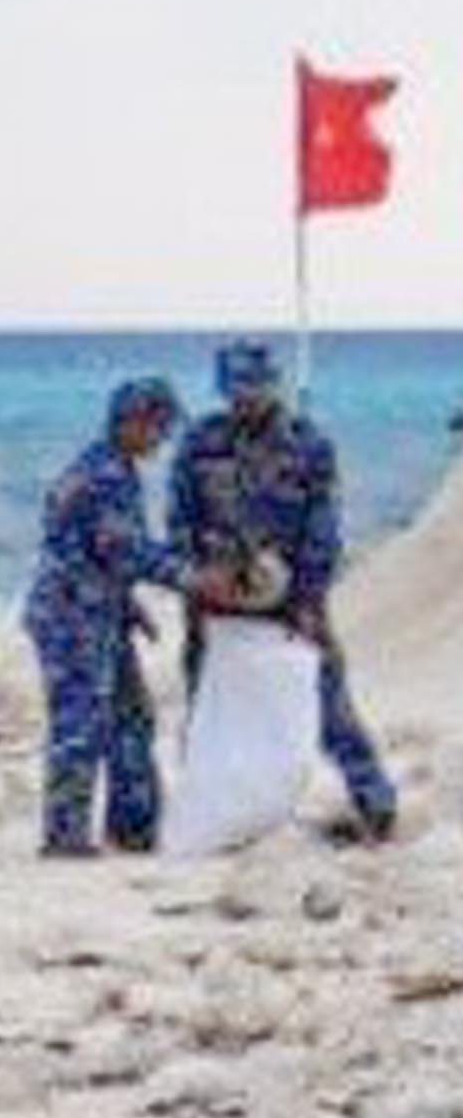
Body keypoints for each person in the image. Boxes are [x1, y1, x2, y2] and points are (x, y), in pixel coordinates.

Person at [170, 343, 401, 840]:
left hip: (289, 602)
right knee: (211, 708)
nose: (246, 400)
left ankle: (376, 805)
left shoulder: (309, 445)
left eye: (255, 388)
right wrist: (195, 581)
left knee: (327, 703)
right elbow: (179, 521)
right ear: (223, 389)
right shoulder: (199, 443)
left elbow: (324, 531)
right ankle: (213, 812)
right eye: (237, 390)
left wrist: (309, 601)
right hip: (216, 600)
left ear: (272, 384)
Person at [26, 377, 181, 856]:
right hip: (72, 618)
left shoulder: (113, 468)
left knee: (131, 717)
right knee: (80, 724)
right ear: (132, 423)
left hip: (97, 610)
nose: (163, 438)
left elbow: (90, 551)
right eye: (159, 427)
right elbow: (127, 551)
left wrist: (129, 606)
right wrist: (196, 579)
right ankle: (65, 836)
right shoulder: (104, 478)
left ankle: (133, 829)